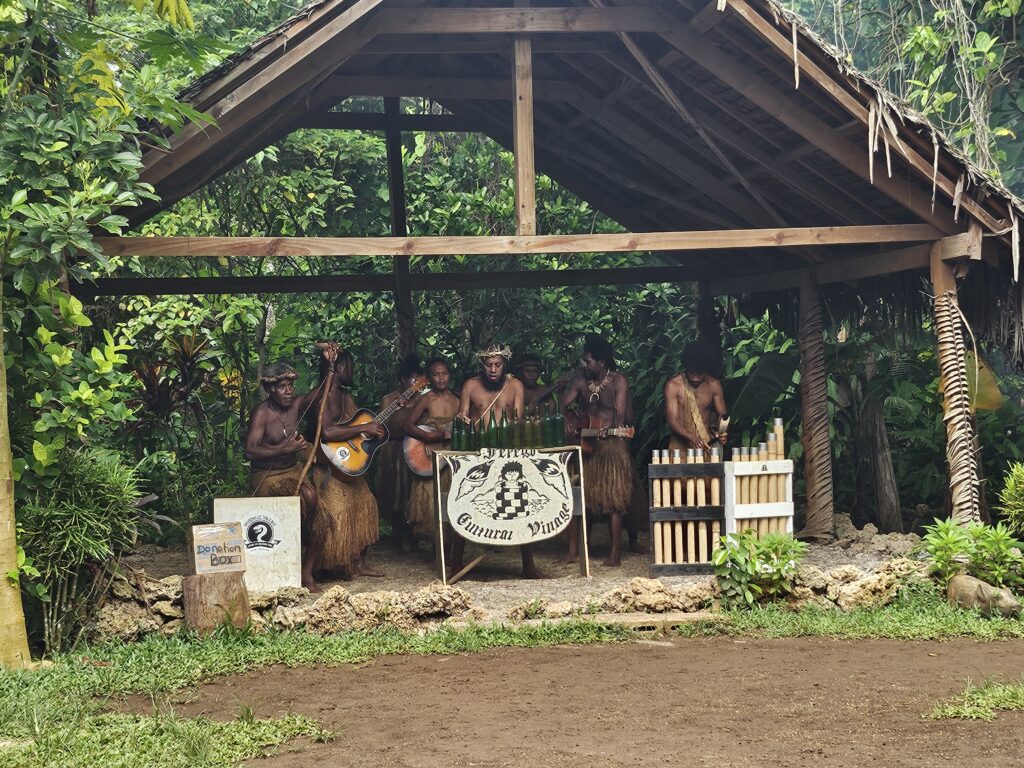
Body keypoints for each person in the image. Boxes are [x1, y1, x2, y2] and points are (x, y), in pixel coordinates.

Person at [244, 344, 338, 592]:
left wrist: (329, 365)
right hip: (268, 477)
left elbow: (322, 391)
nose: (288, 391)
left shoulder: (296, 405)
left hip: (293, 471)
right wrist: (284, 449)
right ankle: (287, 564)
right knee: (308, 497)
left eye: (290, 386)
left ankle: (307, 572)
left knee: (320, 519)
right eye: (282, 387)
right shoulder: (262, 413)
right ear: (270, 390)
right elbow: (250, 451)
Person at [452, 343, 548, 579]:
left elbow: (518, 420)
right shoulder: (470, 385)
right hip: (477, 453)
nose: (493, 370)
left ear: (505, 364)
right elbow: (462, 413)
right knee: (464, 502)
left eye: (498, 364)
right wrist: (462, 418)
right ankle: (455, 564)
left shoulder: (515, 385)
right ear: (482, 365)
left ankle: (528, 565)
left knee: (521, 502)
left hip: (508, 453)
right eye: (489, 365)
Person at [312, 350, 388, 578]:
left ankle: (359, 564)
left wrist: (371, 431)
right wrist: (364, 428)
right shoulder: (322, 396)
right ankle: (337, 563)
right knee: (338, 512)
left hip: (350, 464)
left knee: (367, 504)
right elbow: (327, 432)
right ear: (339, 367)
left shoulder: (345, 397)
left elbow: (354, 427)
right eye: (350, 366)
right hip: (329, 467)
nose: (353, 371)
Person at [560, 334, 633, 566]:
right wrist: (568, 420)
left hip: (612, 446)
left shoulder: (619, 381)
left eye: (588, 361)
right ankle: (579, 549)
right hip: (587, 444)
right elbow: (563, 405)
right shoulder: (581, 381)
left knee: (614, 500)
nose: (585, 364)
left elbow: (620, 415)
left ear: (602, 362)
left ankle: (615, 554)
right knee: (585, 498)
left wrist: (610, 429)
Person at [403, 357, 459, 542]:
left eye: (444, 374)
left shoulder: (458, 399)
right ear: (429, 377)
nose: (441, 378)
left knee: (450, 495)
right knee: (434, 499)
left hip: (451, 455)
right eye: (436, 374)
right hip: (431, 455)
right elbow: (408, 425)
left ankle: (449, 543)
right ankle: (437, 545)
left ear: (449, 375)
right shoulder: (426, 399)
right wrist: (427, 437)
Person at [376, 354, 423, 551]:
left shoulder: (422, 401)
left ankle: (414, 538)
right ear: (403, 380)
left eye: (419, 380)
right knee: (394, 492)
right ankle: (396, 537)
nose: (416, 384)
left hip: (414, 451)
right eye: (412, 379)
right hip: (392, 451)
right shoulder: (388, 400)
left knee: (412, 493)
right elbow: (379, 426)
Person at [664, 341, 728, 454]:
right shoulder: (673, 386)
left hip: (706, 446)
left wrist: (722, 432)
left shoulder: (714, 385)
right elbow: (673, 420)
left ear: (706, 370)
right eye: (692, 373)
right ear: (686, 367)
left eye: (700, 374)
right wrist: (693, 438)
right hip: (680, 449)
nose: (695, 379)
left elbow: (723, 415)